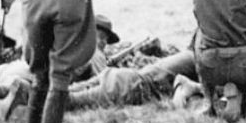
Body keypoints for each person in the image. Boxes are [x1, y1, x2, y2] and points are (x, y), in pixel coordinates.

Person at [65, 50, 198, 111]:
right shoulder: (199, 62)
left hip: (119, 75)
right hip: (128, 87)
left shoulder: (186, 55)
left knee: (69, 91)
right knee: (69, 101)